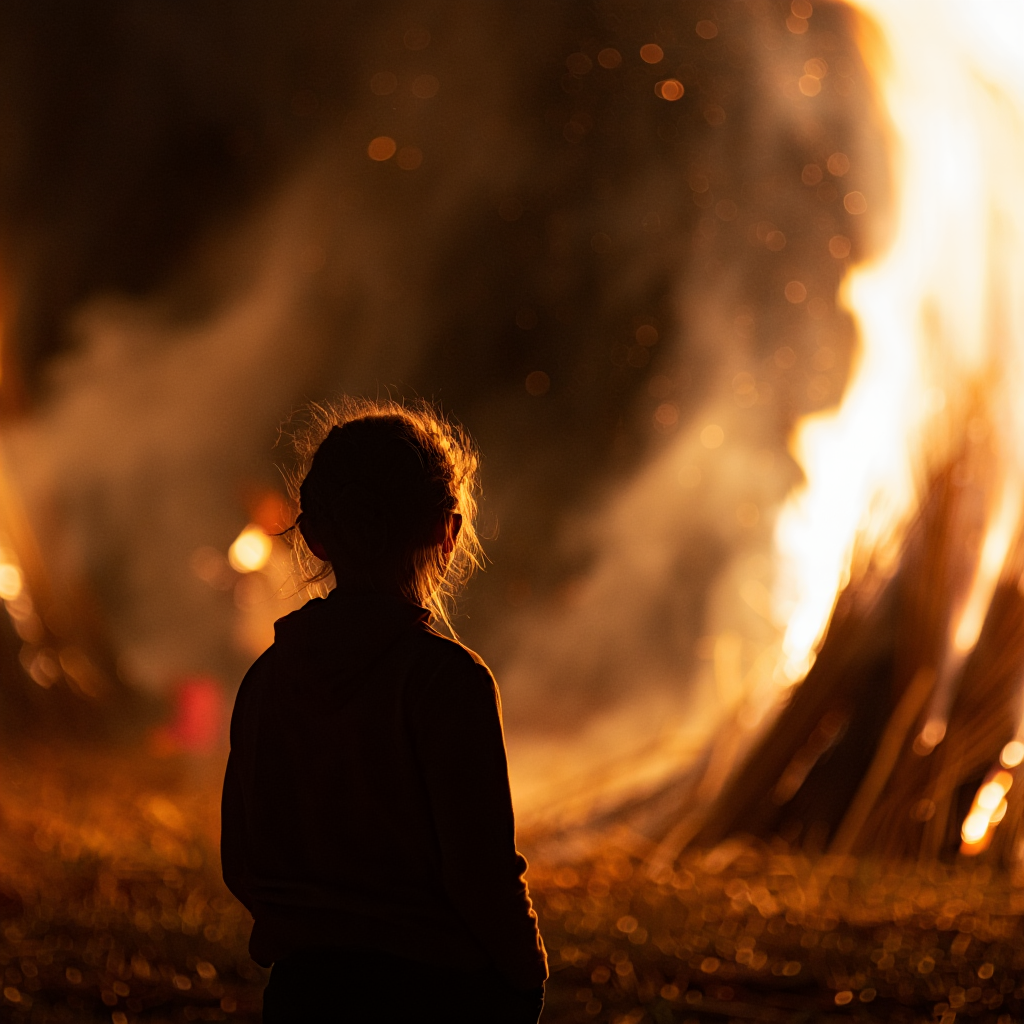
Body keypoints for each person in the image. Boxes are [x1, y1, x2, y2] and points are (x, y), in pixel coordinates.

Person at [220, 399, 547, 1023]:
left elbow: (241, 859)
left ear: (312, 535)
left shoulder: (266, 680)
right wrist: (526, 972)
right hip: (438, 997)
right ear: (446, 532)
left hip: (303, 994)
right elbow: (482, 873)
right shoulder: (448, 684)